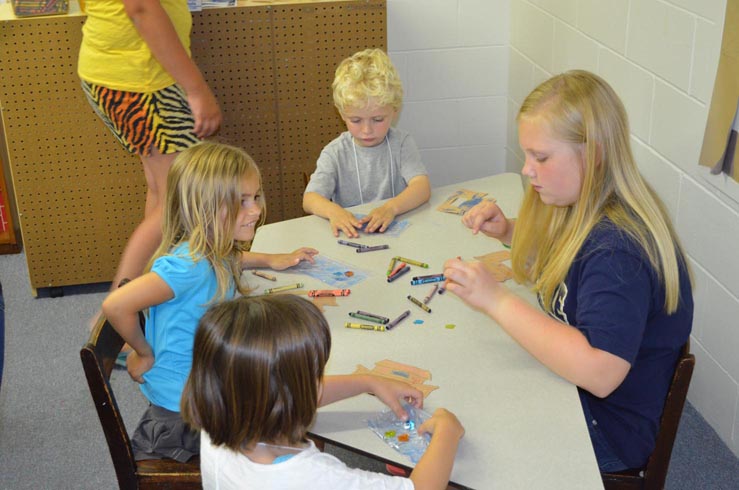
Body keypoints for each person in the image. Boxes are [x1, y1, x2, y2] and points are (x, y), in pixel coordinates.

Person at [442, 70, 693, 472]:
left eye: (540, 157)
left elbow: (600, 372)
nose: (527, 170)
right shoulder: (586, 205)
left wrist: (495, 300)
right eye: (527, 155)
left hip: (604, 425)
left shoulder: (618, 251)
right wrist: (508, 230)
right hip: (577, 392)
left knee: (460, 443)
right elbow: (572, 269)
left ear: (593, 153)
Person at [102, 142, 318, 461]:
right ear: (204, 208)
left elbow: (231, 258)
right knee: (292, 414)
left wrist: (271, 260)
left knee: (288, 395)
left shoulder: (213, 249)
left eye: (255, 197)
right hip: (186, 411)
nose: (255, 210)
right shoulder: (189, 266)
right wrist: (143, 353)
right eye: (241, 202)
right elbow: (116, 305)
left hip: (207, 382)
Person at [181, 294, 465, 490]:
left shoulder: (220, 409)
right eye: (314, 374)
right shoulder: (311, 476)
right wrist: (447, 433)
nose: (318, 382)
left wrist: (368, 381)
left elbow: (284, 392)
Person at [78, 0, 222, 291]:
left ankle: (150, 292)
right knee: (179, 196)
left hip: (132, 74)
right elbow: (141, 7)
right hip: (142, 81)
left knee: (164, 191)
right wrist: (197, 89)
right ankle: (121, 307)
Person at [303, 48, 431, 238]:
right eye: (356, 120)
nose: (367, 130)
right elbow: (310, 199)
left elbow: (422, 187)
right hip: (354, 237)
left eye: (378, 119)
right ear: (342, 115)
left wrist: (391, 208)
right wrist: (334, 212)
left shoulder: (402, 143)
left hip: (399, 236)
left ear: (394, 111)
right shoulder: (335, 152)